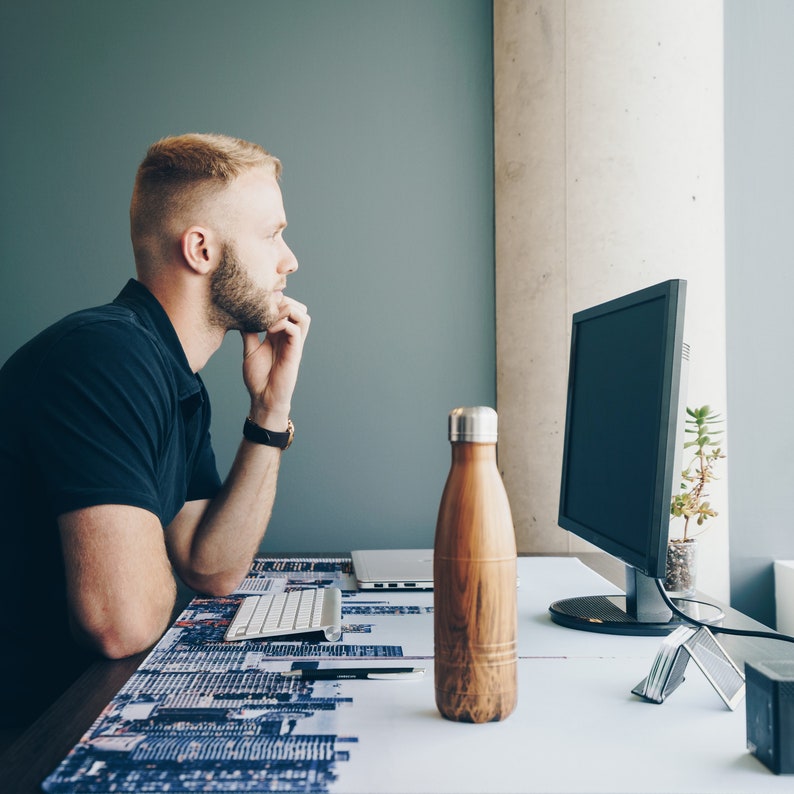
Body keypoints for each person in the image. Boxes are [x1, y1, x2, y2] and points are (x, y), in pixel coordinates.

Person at [0, 133, 310, 730]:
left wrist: (270, 411)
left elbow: (210, 564)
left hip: (79, 706)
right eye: (272, 233)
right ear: (200, 249)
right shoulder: (106, 357)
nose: (289, 259)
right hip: (32, 732)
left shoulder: (171, 373)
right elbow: (122, 623)